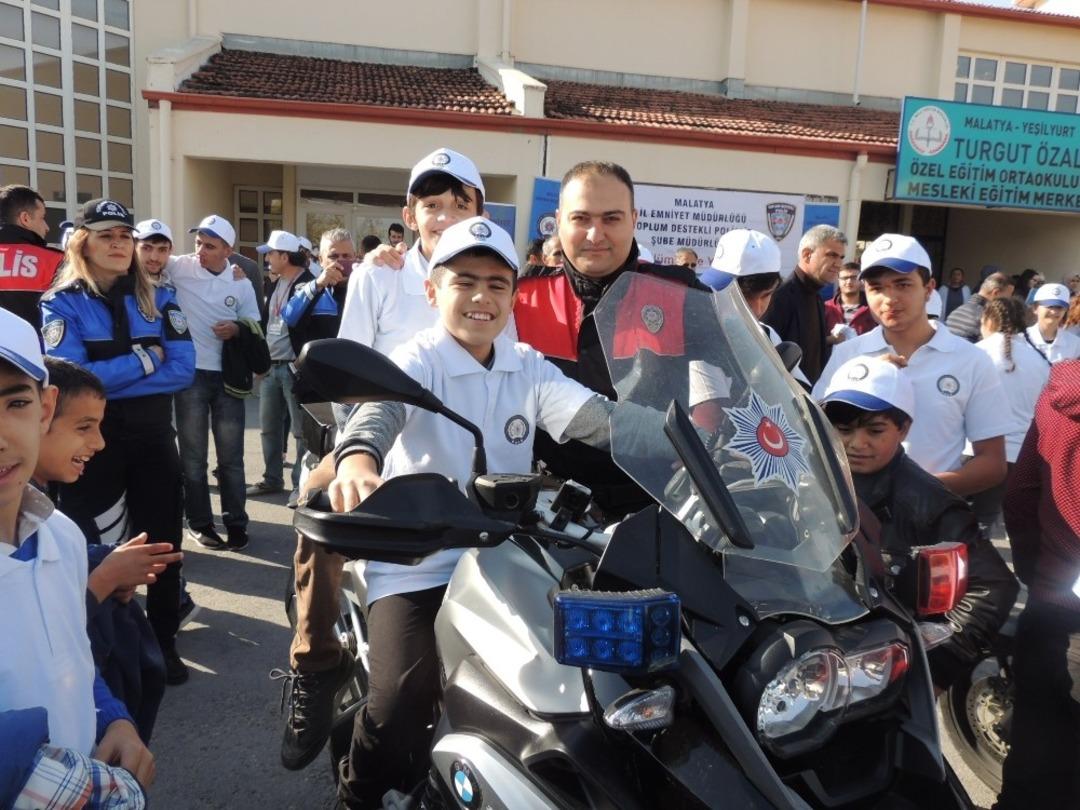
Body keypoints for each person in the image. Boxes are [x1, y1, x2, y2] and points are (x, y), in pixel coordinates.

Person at [328, 217, 671, 807]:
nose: (482, 297)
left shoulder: (526, 364)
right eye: (465, 282)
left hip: (502, 555)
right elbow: (379, 414)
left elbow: (603, 420)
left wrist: (690, 443)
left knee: (572, 680)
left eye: (497, 283)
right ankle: (356, 794)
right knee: (400, 700)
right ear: (433, 291)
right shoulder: (418, 359)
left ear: (515, 296)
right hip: (421, 556)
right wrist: (358, 459)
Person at [279, 147, 485, 772]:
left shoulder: (493, 272)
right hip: (383, 443)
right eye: (431, 204)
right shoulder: (378, 274)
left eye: (459, 204)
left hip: (464, 452)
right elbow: (351, 369)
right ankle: (315, 665)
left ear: (480, 212)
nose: (444, 216)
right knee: (320, 507)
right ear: (409, 213)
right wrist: (354, 454)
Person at [39, 198, 196, 685]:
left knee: (163, 545)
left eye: (125, 236)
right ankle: (95, 642)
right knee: (93, 544)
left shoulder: (161, 298)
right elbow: (72, 381)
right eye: (107, 235)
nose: (119, 244)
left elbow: (184, 369)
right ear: (83, 242)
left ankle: (163, 642)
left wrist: (111, 375)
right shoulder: (60, 302)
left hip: (152, 440)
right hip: (89, 445)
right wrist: (147, 362)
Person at [0, 311, 156, 794]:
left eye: (16, 403)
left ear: (45, 410)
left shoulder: (61, 536)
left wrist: (113, 720)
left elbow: (73, 657)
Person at [512, 160, 705, 519]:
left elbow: (739, 379)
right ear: (559, 220)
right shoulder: (519, 297)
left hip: (664, 504)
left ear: (634, 219)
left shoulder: (682, 293)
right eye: (581, 218)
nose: (595, 234)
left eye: (611, 219)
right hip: (548, 508)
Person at [819, 356, 1016, 692]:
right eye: (845, 429)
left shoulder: (930, 502)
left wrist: (935, 668)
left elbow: (993, 586)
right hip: (813, 656)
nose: (857, 443)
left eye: (875, 430)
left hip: (882, 668)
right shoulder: (811, 476)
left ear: (904, 428)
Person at [34, 356, 180, 740]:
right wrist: (105, 578)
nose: (99, 443)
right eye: (84, 427)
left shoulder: (55, 525)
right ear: (40, 416)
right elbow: (46, 644)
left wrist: (101, 563)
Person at [813, 234, 1009, 499]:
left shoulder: (971, 360)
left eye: (902, 284)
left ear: (929, 289)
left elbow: (992, 464)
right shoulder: (848, 355)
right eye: (876, 287)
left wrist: (914, 492)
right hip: (856, 522)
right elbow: (814, 437)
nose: (889, 298)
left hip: (932, 528)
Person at [995, 360, 1080, 810]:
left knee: (1034, 759)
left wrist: (1041, 576)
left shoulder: (1059, 389)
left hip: (1054, 603)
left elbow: (1021, 492)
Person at [164, 215, 261, 552]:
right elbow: (149, 257)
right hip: (190, 375)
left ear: (228, 251)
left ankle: (236, 522)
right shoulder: (179, 267)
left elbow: (253, 325)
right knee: (192, 459)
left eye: (210, 245)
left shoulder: (241, 283)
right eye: (198, 243)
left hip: (228, 379)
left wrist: (236, 329)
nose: (201, 251)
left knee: (231, 459)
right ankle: (200, 524)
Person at [971, 296, 1050, 528]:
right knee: (984, 523)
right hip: (1015, 456)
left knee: (949, 519)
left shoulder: (974, 353)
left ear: (987, 320)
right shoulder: (1040, 361)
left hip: (969, 450)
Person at [698, 228, 810, 386]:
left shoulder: (768, 336)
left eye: (766, 295)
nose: (757, 309)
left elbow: (801, 396)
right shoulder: (688, 334)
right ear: (718, 289)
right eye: (743, 296)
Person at [247, 230, 309, 507]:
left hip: (296, 367)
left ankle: (301, 483)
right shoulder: (275, 282)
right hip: (271, 366)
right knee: (269, 428)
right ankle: (273, 478)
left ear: (285, 255)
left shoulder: (310, 283)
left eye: (271, 253)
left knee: (301, 432)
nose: (267, 258)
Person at [762, 224, 847, 382]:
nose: (839, 264)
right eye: (832, 255)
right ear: (807, 255)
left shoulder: (817, 298)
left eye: (841, 257)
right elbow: (764, 356)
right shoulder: (780, 297)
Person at [0, 184, 63, 328]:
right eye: (42, 218)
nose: (47, 227)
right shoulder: (55, 260)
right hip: (38, 349)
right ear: (25, 219)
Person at [281, 227, 356, 345]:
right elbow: (289, 318)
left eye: (346, 256)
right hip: (318, 362)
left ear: (354, 258)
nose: (340, 261)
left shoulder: (364, 292)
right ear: (321, 260)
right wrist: (317, 285)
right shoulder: (311, 290)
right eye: (333, 256)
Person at [944, 271, 1015, 343]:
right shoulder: (988, 318)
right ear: (995, 293)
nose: (1010, 299)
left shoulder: (955, 312)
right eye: (1009, 295)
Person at [1026, 283, 1080, 363]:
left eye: (1059, 307)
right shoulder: (1020, 339)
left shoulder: (1075, 343)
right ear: (1035, 308)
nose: (1054, 311)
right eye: (1049, 306)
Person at [825, 261, 875, 342]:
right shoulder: (826, 308)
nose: (849, 282)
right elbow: (814, 341)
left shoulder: (873, 308)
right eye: (844, 278)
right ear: (838, 280)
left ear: (861, 280)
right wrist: (832, 339)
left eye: (853, 277)